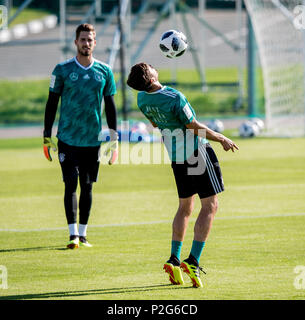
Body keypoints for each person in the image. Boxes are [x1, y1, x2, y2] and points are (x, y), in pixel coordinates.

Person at [127, 63, 239, 288]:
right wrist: (222, 138)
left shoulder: (142, 99)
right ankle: (193, 261)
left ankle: (174, 259)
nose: (154, 66)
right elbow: (193, 126)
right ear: (150, 76)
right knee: (210, 206)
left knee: (185, 208)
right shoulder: (174, 96)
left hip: (177, 158)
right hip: (197, 153)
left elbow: (155, 123)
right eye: (150, 67)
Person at [43, 23, 118, 249]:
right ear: (76, 42)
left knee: (87, 186)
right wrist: (47, 136)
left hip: (92, 140)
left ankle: (83, 234)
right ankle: (72, 235)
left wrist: (114, 138)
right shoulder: (62, 70)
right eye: (82, 39)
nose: (86, 43)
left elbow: (111, 105)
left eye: (90, 40)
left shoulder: (104, 71)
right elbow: (52, 103)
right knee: (70, 184)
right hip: (66, 139)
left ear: (95, 43)